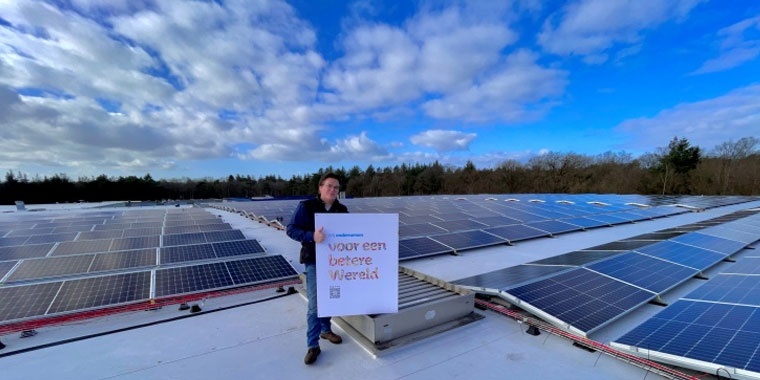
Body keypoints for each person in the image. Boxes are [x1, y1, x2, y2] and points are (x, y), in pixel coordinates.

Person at [286, 172, 348, 365]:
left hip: (335, 262)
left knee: (330, 297)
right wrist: (311, 236)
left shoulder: (342, 210)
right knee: (314, 305)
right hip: (313, 261)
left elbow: (351, 234)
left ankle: (325, 330)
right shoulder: (306, 207)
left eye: (336, 187)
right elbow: (291, 229)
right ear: (320, 187)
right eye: (329, 186)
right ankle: (312, 345)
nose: (332, 190)